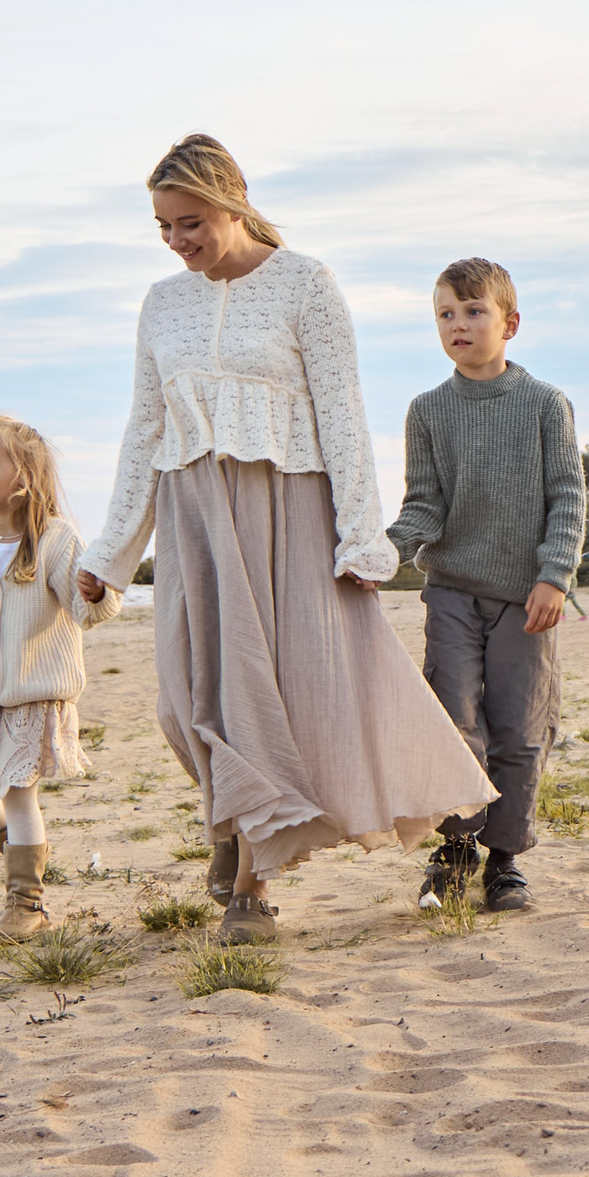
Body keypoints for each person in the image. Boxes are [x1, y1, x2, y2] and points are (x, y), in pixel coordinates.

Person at [77, 135, 494, 944]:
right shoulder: (162, 303)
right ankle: (235, 821)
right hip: (193, 512)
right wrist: (110, 554)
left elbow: (342, 415)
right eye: (164, 227)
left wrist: (359, 536)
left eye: (190, 222)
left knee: (264, 699)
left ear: (232, 201)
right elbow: (143, 429)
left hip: (286, 510)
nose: (177, 241)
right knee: (182, 701)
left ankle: (252, 889)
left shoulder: (307, 284)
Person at [384, 258, 586, 913]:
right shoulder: (427, 412)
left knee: (520, 731)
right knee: (452, 720)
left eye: (474, 312)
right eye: (445, 313)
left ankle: (504, 862)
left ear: (511, 323)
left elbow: (567, 500)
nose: (458, 324)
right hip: (451, 591)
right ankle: (456, 848)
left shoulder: (545, 405)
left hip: (527, 599)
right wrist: (379, 553)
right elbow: (423, 508)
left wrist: (555, 576)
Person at [0, 413, 121, 937]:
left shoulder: (55, 540)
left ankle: (26, 903)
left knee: (19, 797)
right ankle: (20, 856)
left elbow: (87, 614)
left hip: (32, 697)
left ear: (25, 477)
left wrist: (97, 593)